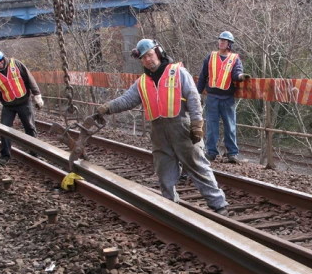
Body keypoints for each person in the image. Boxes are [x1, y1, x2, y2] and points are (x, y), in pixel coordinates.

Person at [97, 39, 229, 214]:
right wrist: (107, 107)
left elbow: (193, 97)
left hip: (182, 127)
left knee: (198, 166)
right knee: (164, 171)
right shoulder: (142, 82)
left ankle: (219, 205)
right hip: (158, 131)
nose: (148, 60)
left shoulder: (178, 72)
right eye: (144, 58)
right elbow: (127, 100)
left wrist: (197, 124)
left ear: (158, 53)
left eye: (150, 55)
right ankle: (170, 208)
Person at [196, 31, 251, 163]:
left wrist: (241, 77)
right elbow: (203, 75)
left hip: (227, 97)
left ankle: (232, 153)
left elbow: (236, 73)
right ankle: (211, 152)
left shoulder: (234, 59)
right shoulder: (211, 57)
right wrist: (197, 93)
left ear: (229, 44)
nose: (221, 42)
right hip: (212, 96)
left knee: (230, 125)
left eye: (224, 41)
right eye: (220, 40)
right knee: (211, 125)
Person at [0, 49, 44, 165]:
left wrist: (37, 94)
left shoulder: (16, 64)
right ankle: (5, 155)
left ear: (3, 57)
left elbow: (29, 78)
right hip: (8, 105)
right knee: (4, 129)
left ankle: (34, 152)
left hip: (24, 101)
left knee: (30, 126)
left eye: (0, 60)